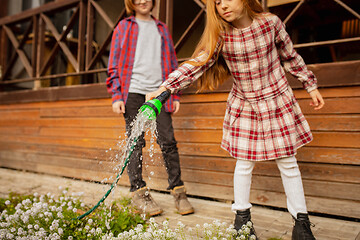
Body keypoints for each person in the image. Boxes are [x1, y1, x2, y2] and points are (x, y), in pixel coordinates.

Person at [146, 0, 324, 239]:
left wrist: (310, 84)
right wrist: (166, 87)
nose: (222, 5)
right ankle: (242, 222)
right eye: (217, 2)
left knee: (288, 162)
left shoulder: (271, 23)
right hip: (245, 103)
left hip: (276, 98)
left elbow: (290, 56)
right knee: (244, 163)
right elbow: (196, 64)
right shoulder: (221, 35)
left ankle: (301, 223)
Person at [106, 0, 194, 216]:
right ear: (131, 2)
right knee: (135, 142)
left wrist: (174, 93)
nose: (142, 1)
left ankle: (179, 192)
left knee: (168, 141)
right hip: (132, 92)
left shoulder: (162, 29)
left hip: (159, 94)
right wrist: (117, 94)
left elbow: (172, 64)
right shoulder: (124, 27)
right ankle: (139, 192)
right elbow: (114, 64)